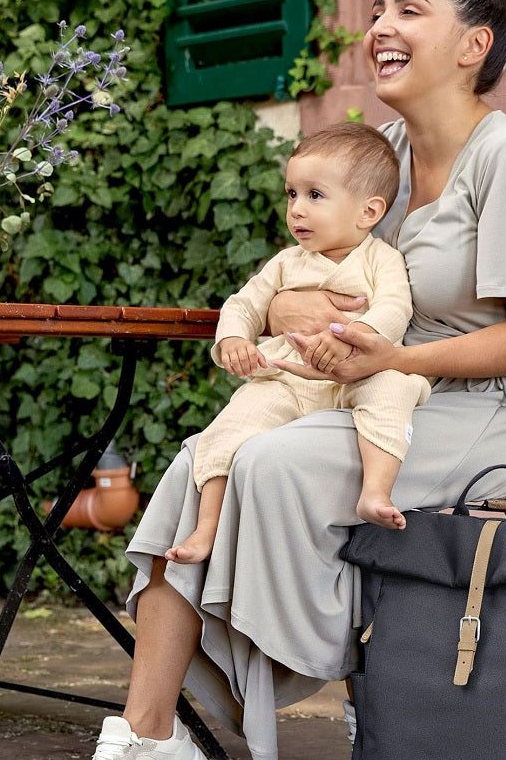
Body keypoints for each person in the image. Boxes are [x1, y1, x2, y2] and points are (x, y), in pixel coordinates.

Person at [51, 0, 506, 760]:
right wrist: (313, 315)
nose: (381, 26)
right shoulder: (373, 153)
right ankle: (148, 737)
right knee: (205, 459)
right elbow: (301, 281)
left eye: (409, 11)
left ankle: (336, 680)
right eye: (379, 9)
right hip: (368, 390)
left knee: (269, 464)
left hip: (483, 414)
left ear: (474, 45)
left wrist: (387, 359)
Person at [164, 121, 431, 566]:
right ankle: (206, 526)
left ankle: (375, 490)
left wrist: (350, 339)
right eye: (291, 194)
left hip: (356, 374)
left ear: (368, 212)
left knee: (394, 390)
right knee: (236, 421)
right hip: (287, 378)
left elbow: (393, 309)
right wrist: (233, 337)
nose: (297, 210)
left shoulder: (382, 260)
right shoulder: (286, 264)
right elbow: (244, 303)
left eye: (315, 195)